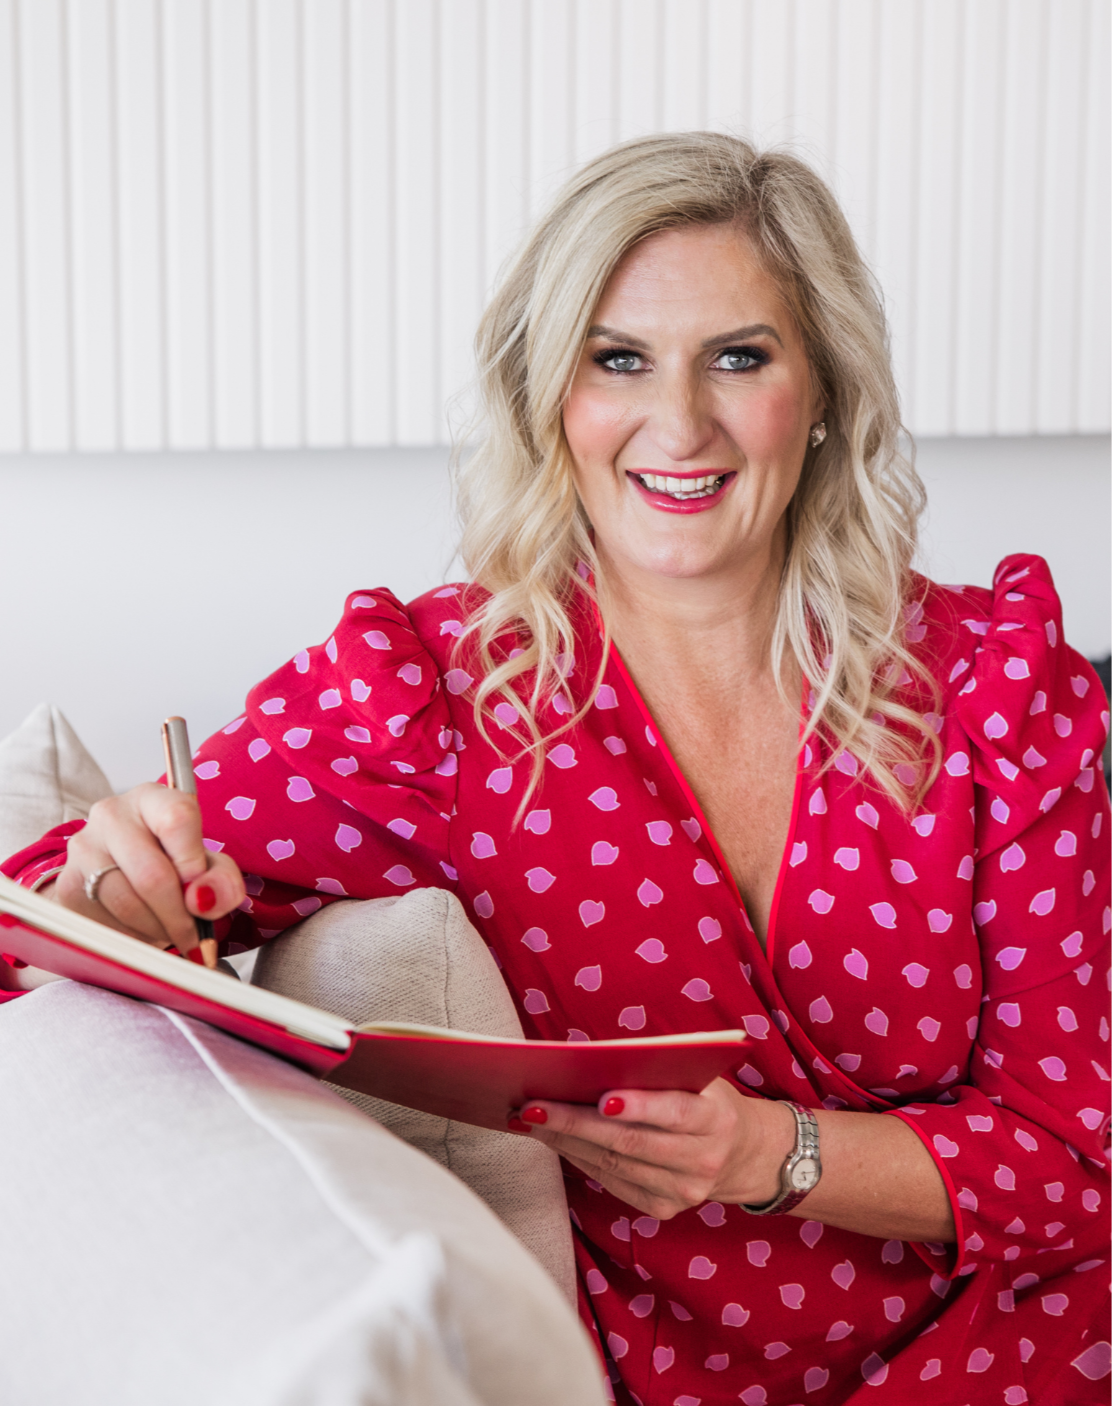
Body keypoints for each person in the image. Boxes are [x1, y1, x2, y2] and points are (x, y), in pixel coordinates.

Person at [4, 133, 1111, 1404]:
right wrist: (113, 891)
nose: (678, 423)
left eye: (737, 357)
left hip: (1030, 1340)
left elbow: (1073, 1162)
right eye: (617, 358)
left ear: (821, 393)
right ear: (548, 398)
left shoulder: (996, 689)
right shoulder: (428, 704)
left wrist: (770, 1153)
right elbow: (34, 928)